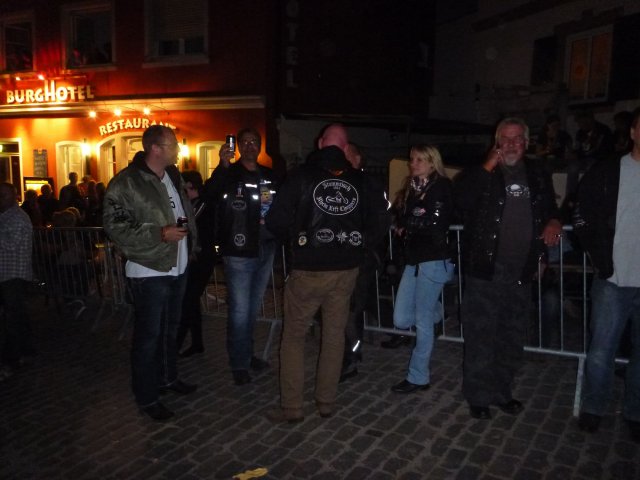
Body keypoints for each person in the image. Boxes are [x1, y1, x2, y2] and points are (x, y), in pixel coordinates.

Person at [265, 124, 387, 422]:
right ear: (345, 148)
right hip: (346, 269)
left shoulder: (300, 176)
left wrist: (297, 239)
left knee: (294, 336)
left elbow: (276, 220)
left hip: (309, 268)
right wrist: (359, 246)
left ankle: (292, 407)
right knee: (333, 335)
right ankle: (326, 401)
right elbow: (380, 222)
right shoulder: (361, 181)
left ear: (321, 143)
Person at [454, 117, 562, 420]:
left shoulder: (537, 173)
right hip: (485, 268)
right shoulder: (481, 171)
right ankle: (478, 396)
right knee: (481, 335)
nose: (511, 144)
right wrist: (487, 166)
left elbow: (549, 209)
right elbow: (459, 201)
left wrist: (555, 221)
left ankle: (502, 392)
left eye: (517, 139)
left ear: (526, 143)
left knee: (512, 336)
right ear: (496, 141)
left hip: (522, 269)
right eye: (506, 138)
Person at [103, 125, 198, 421]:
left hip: (178, 265)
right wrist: (159, 233)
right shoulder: (126, 182)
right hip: (148, 270)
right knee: (148, 337)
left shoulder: (173, 176)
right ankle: (146, 397)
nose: (178, 150)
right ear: (155, 148)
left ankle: (168, 378)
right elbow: (114, 227)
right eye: (173, 145)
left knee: (170, 330)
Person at [573, 106, 640, 443]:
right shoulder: (609, 169)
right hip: (614, 278)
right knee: (601, 349)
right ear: (633, 132)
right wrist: (600, 258)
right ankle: (594, 407)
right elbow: (581, 211)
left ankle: (635, 412)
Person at [204, 128, 278, 385]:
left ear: (260, 146)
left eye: (253, 141)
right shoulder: (229, 173)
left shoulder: (269, 175)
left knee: (252, 308)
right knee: (239, 309)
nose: (249, 146)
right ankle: (239, 363)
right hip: (238, 251)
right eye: (244, 142)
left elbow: (280, 206)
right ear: (237, 146)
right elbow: (210, 194)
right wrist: (222, 165)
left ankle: (247, 354)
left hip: (265, 248)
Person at [389, 145, 455, 394]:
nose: (413, 163)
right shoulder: (412, 188)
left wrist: (409, 223)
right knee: (401, 318)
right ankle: (440, 311)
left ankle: (418, 377)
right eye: (412, 159)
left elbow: (435, 222)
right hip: (414, 260)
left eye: (419, 160)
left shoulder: (441, 186)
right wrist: (405, 221)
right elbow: (404, 216)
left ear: (431, 162)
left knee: (422, 320)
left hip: (433, 259)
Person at [340, 142, 391, 382]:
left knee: (352, 308)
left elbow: (382, 219)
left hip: (362, 257)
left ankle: (350, 358)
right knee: (350, 306)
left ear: (358, 159)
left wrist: (364, 245)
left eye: (347, 154)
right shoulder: (336, 182)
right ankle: (347, 353)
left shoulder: (369, 184)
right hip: (341, 257)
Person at [176, 170, 216, 357]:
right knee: (191, 302)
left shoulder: (202, 204)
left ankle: (175, 345)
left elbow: (187, 223)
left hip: (202, 258)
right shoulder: (194, 204)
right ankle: (197, 342)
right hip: (195, 258)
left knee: (188, 301)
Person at [0, 182, 35, 379]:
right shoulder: (6, 216)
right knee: (18, 316)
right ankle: (27, 351)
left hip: (14, 274)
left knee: (12, 318)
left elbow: (11, 245)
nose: (1, 199)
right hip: (7, 273)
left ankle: (11, 361)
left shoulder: (18, 218)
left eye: (4, 195)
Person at [564, 110, 614, 207]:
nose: (580, 125)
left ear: (589, 120)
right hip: (583, 158)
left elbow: (606, 150)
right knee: (573, 167)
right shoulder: (580, 133)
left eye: (581, 122)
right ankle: (571, 195)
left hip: (598, 159)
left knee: (591, 168)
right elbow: (579, 149)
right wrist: (574, 154)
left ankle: (590, 194)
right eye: (579, 123)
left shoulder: (603, 131)